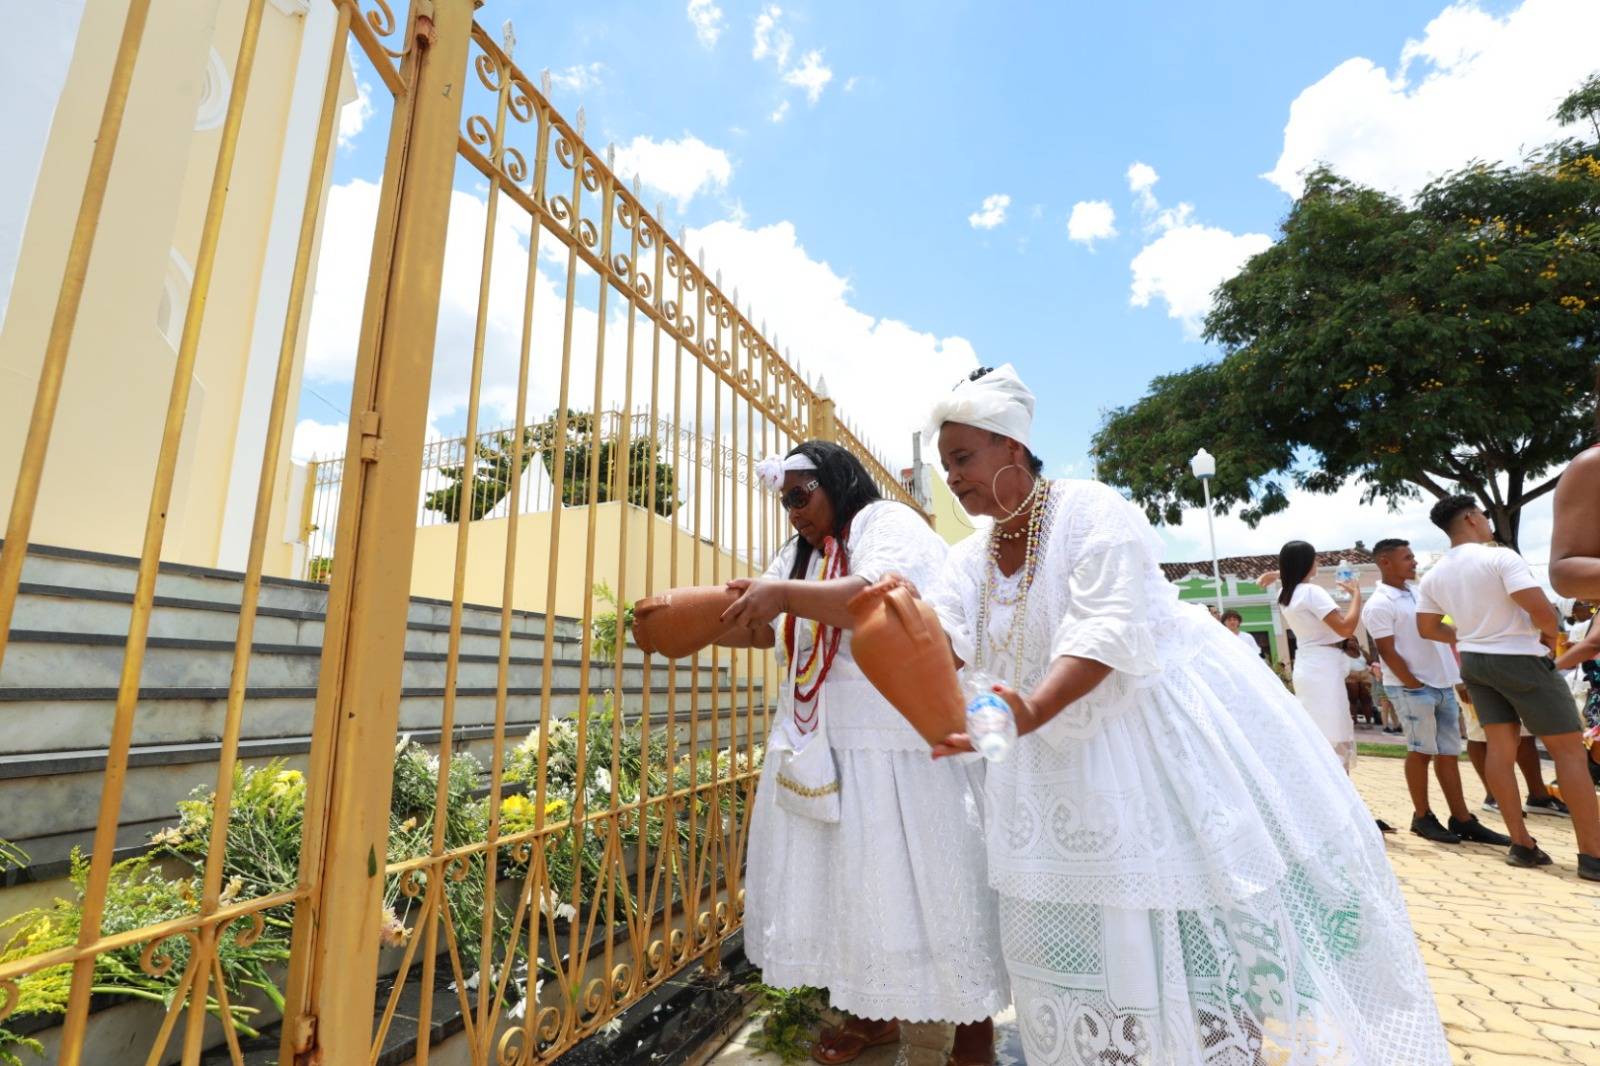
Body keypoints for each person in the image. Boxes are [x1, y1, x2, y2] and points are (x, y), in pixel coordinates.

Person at [914, 365, 1448, 1065]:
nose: (952, 477)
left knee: (1194, 922)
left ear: (1012, 450)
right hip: (1045, 763)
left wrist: (1035, 706)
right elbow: (942, 641)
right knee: (1089, 942)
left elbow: (1106, 629)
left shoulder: (1091, 510)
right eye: (944, 464)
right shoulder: (966, 560)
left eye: (962, 458)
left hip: (1154, 745)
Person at [715, 440, 1007, 1066]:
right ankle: (873, 1016)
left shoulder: (884, 522)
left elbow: (873, 598)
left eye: (802, 494)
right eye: (784, 499)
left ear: (838, 482)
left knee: (933, 889)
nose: (792, 510)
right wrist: (730, 612)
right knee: (851, 894)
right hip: (824, 744)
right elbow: (768, 626)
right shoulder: (800, 554)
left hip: (899, 749)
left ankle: (975, 1032)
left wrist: (783, 596)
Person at [1415, 495, 1599, 881]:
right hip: (1519, 657)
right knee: (1568, 752)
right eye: (1482, 515)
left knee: (1501, 747)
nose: (1486, 521)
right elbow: (1538, 608)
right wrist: (1551, 635)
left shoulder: (1433, 574)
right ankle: (1592, 854)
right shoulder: (1499, 557)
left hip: (1475, 662)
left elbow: (1428, 628)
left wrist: (1467, 635)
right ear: (1469, 518)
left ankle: (1522, 843)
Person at [1363, 538, 1511, 848]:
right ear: (1385, 562)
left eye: (1413, 556)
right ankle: (1422, 816)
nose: (1414, 562)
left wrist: (1457, 678)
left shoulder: (1421, 593)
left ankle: (1462, 819)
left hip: (1443, 684)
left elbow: (1447, 635)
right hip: (1412, 688)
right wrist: (1413, 685)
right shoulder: (1379, 603)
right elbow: (1387, 651)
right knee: (1420, 752)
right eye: (1407, 557)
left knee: (1448, 753)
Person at [1273, 542, 1368, 778]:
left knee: (1319, 732)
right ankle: (1342, 798)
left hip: (1308, 664)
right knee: (1334, 733)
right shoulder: (1312, 592)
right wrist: (1356, 595)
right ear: (1306, 563)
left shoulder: (1284, 593)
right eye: (1314, 559)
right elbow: (1346, 628)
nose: (1318, 563)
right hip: (1323, 668)